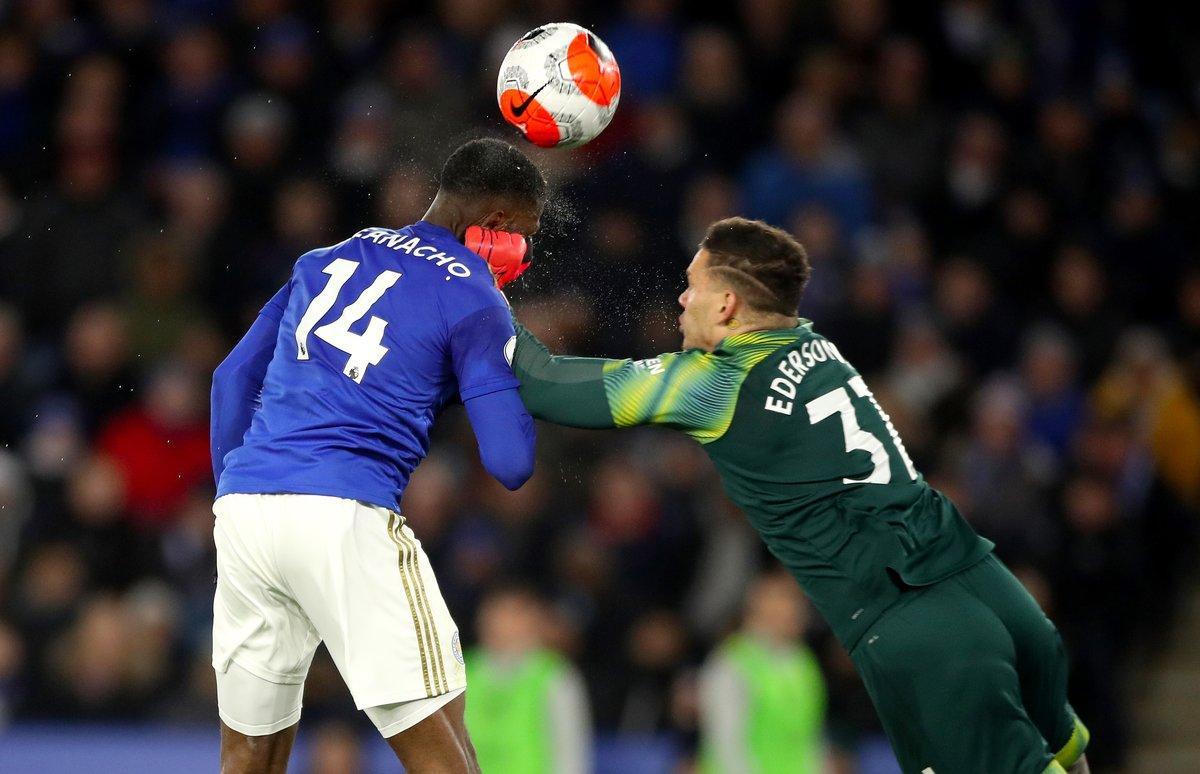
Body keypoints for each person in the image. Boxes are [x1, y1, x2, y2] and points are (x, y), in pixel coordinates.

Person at [502, 217, 1091, 773]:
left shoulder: (716, 382)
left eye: (691, 286)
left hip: (911, 617)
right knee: (1064, 744)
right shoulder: (818, 346)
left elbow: (545, 383)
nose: (682, 300)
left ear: (727, 304)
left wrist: (472, 295)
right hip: (981, 575)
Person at [208, 137, 545, 773]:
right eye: (522, 235)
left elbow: (231, 379)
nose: (522, 253)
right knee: (448, 757)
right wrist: (504, 372)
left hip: (247, 510)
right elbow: (510, 462)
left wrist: (234, 492)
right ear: (495, 224)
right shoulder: (475, 295)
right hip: (346, 516)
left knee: (248, 755)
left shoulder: (327, 258)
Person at [699, 571, 826, 774]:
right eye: (786, 602)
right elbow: (727, 743)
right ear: (759, 608)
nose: (798, 612)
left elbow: (812, 738)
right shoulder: (731, 663)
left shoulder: (804, 662)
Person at [464, 586, 592, 774]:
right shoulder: (460, 671)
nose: (500, 623)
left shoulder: (555, 676)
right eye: (495, 613)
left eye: (513, 614)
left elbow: (570, 750)